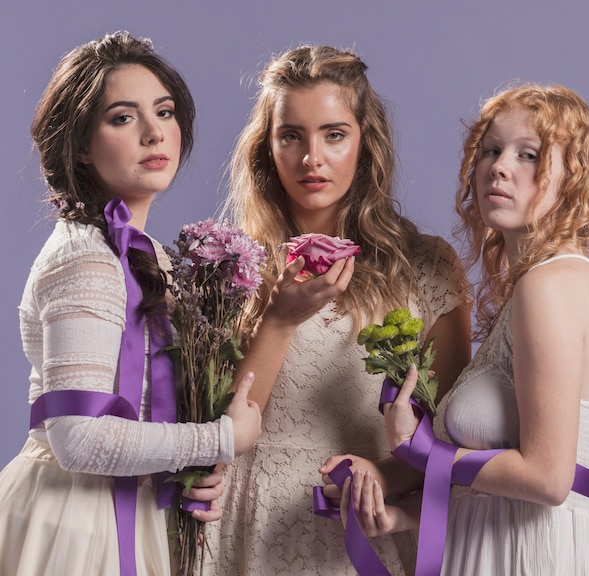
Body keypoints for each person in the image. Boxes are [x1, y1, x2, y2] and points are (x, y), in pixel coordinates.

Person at [331, 83, 589, 575]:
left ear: (571, 179)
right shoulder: (545, 283)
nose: (500, 166)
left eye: (528, 154)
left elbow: (550, 480)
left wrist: (420, 450)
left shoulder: (549, 284)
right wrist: (404, 516)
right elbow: (502, 495)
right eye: (491, 149)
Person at [203, 45, 472, 575]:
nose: (311, 158)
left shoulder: (426, 267)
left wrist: (381, 476)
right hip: (244, 522)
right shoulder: (231, 266)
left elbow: (449, 438)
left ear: (364, 144)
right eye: (291, 136)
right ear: (266, 147)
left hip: (361, 527)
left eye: (334, 134)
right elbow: (218, 431)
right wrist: (278, 319)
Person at [0, 31, 261, 576]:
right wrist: (219, 438)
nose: (153, 132)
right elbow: (77, 437)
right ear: (77, 145)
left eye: (163, 111)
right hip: (79, 520)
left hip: (118, 509)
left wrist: (193, 466)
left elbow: (145, 410)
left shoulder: (139, 255)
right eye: (122, 118)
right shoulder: (89, 260)